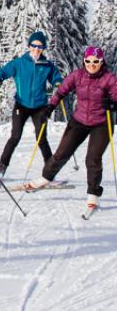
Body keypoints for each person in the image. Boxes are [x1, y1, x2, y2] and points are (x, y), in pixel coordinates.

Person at [30, 46, 117, 209]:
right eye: (88, 61)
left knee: (92, 159)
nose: (92, 64)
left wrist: (112, 104)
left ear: (101, 61)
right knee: (61, 153)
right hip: (79, 120)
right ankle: (46, 177)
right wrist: (50, 107)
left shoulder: (109, 78)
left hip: (102, 123)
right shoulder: (77, 75)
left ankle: (93, 194)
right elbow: (61, 91)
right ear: (84, 61)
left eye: (96, 61)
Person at [0, 31, 63, 178]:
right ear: (29, 46)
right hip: (21, 106)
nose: (36, 49)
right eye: (34, 45)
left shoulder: (47, 65)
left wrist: (58, 83)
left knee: (42, 139)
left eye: (40, 46)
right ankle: (2, 167)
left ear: (43, 48)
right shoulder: (19, 63)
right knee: (15, 137)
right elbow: (4, 72)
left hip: (40, 107)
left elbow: (56, 77)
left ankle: (51, 172)